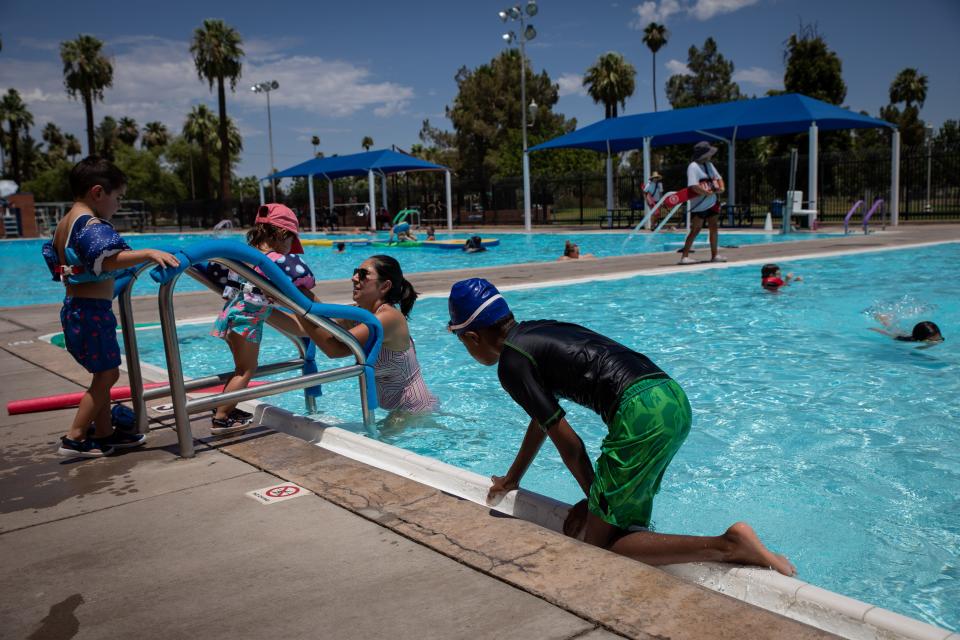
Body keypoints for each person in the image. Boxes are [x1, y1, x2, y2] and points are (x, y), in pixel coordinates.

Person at [447, 278, 796, 576]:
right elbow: (541, 422)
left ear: (473, 337)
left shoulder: (511, 362)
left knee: (602, 545)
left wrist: (592, 498)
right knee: (623, 522)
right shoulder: (537, 330)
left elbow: (569, 444)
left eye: (461, 339)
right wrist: (512, 479)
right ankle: (677, 543)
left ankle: (729, 545)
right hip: (671, 397)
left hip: (640, 412)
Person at [42, 156, 180, 458]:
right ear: (97, 192)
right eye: (117, 198)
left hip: (76, 308)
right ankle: (75, 437)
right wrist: (147, 253)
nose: (118, 205)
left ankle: (103, 434)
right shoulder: (90, 223)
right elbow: (106, 259)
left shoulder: (64, 223)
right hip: (91, 312)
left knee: (101, 373)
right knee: (108, 376)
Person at [209, 203, 318, 435]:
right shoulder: (275, 260)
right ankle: (221, 417)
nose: (290, 249)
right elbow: (301, 283)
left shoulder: (245, 255)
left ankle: (225, 406)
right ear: (282, 234)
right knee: (246, 370)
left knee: (240, 368)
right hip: (246, 320)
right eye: (290, 241)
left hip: (234, 314)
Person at [292, 255, 437, 417]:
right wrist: (262, 310)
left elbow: (335, 349)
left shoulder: (388, 317)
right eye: (356, 272)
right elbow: (314, 322)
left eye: (363, 274)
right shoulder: (360, 312)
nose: (354, 278)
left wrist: (297, 303)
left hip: (413, 409)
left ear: (384, 286)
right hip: (398, 409)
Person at [679, 141, 726, 265]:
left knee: (714, 227)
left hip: (712, 202)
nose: (711, 155)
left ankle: (715, 255)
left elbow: (718, 178)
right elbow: (693, 186)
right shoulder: (693, 166)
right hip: (699, 205)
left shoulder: (709, 165)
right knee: (696, 229)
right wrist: (706, 192)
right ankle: (685, 256)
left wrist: (721, 188)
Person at [870, 316, 944, 343]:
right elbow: (890, 335)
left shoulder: (938, 338)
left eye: (939, 338)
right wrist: (875, 329)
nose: (938, 341)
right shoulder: (909, 340)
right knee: (891, 329)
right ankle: (882, 319)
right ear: (920, 339)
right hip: (901, 335)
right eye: (933, 340)